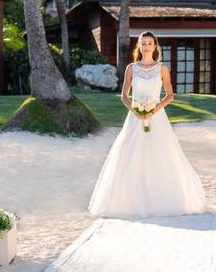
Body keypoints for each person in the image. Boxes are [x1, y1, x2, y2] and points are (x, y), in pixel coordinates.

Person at [88, 31, 207, 218]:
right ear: (139, 46)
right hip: (134, 119)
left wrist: (154, 110)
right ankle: (127, 201)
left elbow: (170, 95)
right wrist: (136, 111)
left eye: (150, 43)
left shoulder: (162, 69)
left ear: (155, 46)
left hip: (157, 118)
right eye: (143, 43)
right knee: (130, 155)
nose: (146, 46)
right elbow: (124, 96)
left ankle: (162, 200)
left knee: (160, 155)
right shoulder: (131, 68)